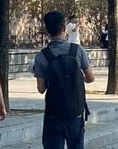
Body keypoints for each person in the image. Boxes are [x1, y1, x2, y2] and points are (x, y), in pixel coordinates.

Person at [34, 10, 95, 149]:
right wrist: (77, 77)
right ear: (63, 28)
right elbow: (90, 78)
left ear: (47, 30)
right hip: (75, 111)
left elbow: (41, 89)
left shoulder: (41, 56)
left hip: (53, 113)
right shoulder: (77, 50)